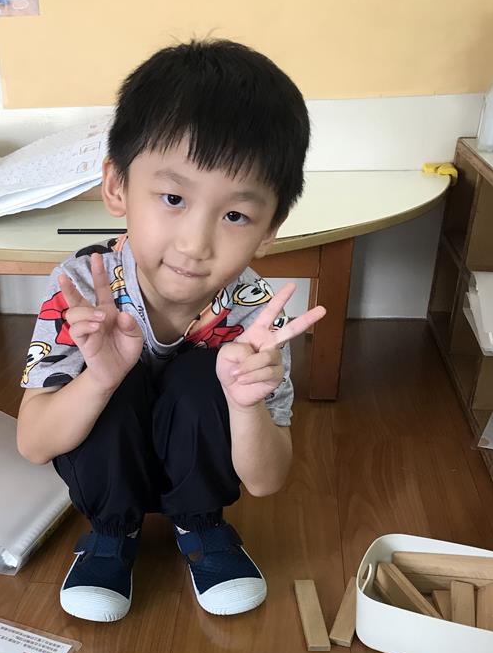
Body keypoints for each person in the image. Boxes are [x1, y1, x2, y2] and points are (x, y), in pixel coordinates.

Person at [17, 38, 325, 622]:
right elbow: (33, 444)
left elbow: (267, 480)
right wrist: (98, 380)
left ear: (270, 229)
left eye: (235, 215)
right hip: (112, 472)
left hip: (198, 469)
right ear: (116, 186)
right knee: (108, 381)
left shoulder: (255, 316)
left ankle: (200, 526)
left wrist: (244, 405)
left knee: (209, 374)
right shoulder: (82, 292)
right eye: (173, 197)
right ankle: (112, 532)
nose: (195, 243)